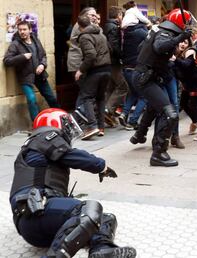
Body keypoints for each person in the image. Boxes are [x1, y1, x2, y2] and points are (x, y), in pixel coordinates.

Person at [9, 108, 136, 258]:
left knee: (105, 218)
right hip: (34, 214)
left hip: (41, 220)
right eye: (67, 126)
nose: (69, 131)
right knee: (88, 209)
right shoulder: (43, 139)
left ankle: (102, 249)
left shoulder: (37, 146)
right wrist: (101, 166)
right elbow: (73, 156)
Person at [129, 9, 194, 167]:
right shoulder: (166, 33)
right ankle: (158, 153)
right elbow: (159, 48)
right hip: (145, 78)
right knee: (170, 114)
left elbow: (141, 49)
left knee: (155, 106)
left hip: (146, 76)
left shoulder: (159, 30)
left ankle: (140, 134)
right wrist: (180, 37)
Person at [3, 20, 59, 121]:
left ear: (30, 30)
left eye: (24, 29)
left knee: (51, 98)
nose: (22, 32)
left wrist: (42, 65)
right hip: (25, 77)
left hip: (40, 75)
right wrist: (22, 57)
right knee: (32, 100)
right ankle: (37, 125)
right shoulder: (15, 44)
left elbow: (43, 56)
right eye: (20, 30)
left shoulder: (35, 40)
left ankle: (60, 118)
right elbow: (7, 61)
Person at [75, 15, 111, 139]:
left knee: (87, 97)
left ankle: (92, 126)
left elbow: (91, 55)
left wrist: (80, 70)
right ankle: (101, 127)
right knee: (100, 98)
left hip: (96, 70)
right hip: (107, 69)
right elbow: (109, 49)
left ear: (79, 26)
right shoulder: (101, 34)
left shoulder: (84, 36)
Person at [103, 6, 128, 119]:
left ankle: (105, 111)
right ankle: (108, 109)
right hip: (114, 62)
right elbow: (114, 46)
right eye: (121, 15)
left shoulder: (107, 25)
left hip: (108, 61)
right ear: (118, 16)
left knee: (111, 87)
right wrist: (122, 55)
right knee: (123, 86)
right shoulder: (114, 28)